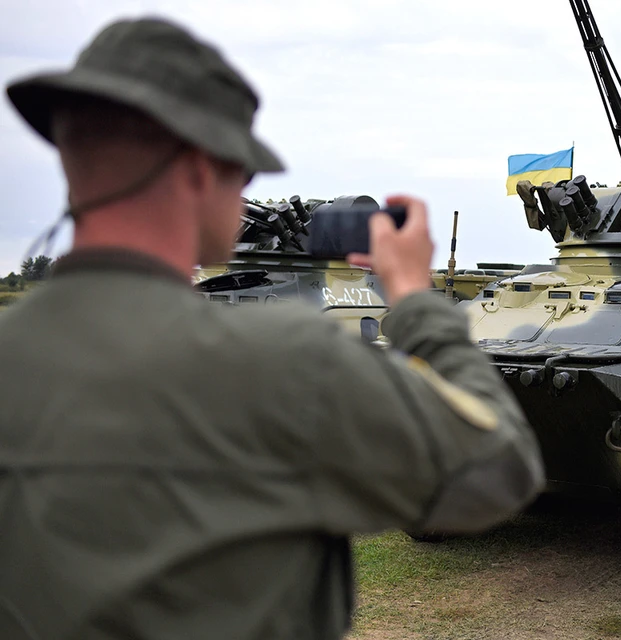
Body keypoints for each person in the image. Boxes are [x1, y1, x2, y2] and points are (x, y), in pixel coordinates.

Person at [0, 17, 544, 640]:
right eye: (243, 172)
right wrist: (416, 302)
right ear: (201, 171)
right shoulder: (285, 361)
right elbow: (497, 469)